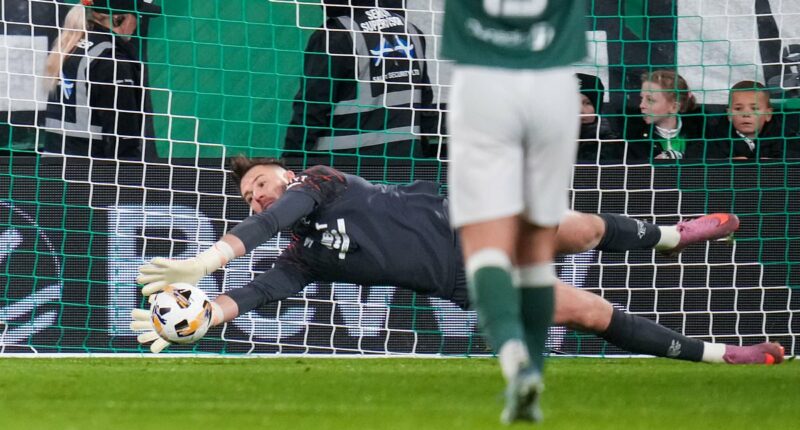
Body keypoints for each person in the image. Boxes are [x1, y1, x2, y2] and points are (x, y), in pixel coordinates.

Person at [131, 160, 782, 368]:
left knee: (576, 228)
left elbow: (267, 223)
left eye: (263, 184)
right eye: (247, 196)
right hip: (465, 279)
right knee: (584, 311)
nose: (259, 196)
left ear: (289, 177)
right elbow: (263, 287)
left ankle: (671, 236)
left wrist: (207, 257)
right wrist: (206, 314)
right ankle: (725, 356)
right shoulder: (305, 258)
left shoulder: (320, 183)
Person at [440, 1, 587, 423]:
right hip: (555, 82)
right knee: (537, 249)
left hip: (483, 79)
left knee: (485, 246)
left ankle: (514, 363)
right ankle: (535, 376)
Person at [282, 0, 436, 159]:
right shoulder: (410, 30)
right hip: (405, 161)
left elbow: (312, 108)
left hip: (346, 167)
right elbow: (425, 105)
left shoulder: (334, 35)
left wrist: (291, 161)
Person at [42, 0, 160, 160]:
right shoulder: (111, 60)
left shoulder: (72, 47)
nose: (138, 23)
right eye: (136, 16)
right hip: (90, 171)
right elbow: (123, 137)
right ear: (118, 18)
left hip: (54, 165)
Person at [625, 70, 705, 162]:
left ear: (674, 107)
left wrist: (681, 157)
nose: (641, 105)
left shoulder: (701, 132)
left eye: (650, 100)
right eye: (641, 98)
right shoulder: (632, 137)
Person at [714, 80, 800, 160]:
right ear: (729, 114)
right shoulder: (717, 138)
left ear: (768, 114)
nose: (746, 114)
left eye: (754, 108)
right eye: (738, 108)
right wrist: (725, 165)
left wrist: (775, 164)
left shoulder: (784, 137)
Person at [576, 73, 624, 164]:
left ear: (598, 107)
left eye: (587, 103)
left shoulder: (612, 145)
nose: (580, 110)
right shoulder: (551, 141)